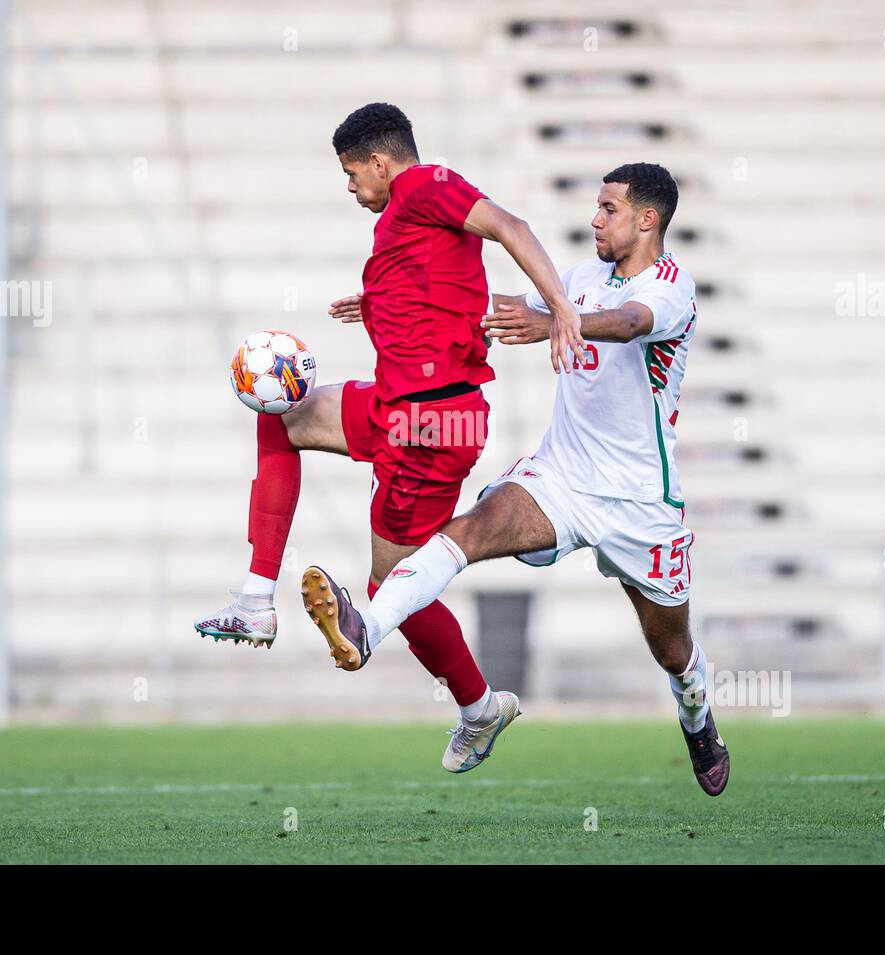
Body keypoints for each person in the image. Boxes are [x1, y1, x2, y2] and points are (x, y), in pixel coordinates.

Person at [300, 163, 729, 794]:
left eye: (609, 209)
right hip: (560, 480)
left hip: (641, 505)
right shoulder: (579, 280)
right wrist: (393, 306)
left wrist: (563, 321)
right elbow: (490, 311)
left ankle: (697, 718)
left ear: (648, 220)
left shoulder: (672, 288)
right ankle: (365, 629)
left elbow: (634, 323)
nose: (595, 219)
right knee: (467, 532)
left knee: (672, 651)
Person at [195, 102, 584, 774]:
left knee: (393, 587)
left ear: (380, 161)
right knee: (281, 417)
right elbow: (436, 290)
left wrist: (562, 310)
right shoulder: (408, 218)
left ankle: (479, 707)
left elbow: (509, 225)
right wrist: (371, 302)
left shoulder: (428, 185)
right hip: (402, 408)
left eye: (351, 174)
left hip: (430, 425)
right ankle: (257, 598)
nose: (351, 188)